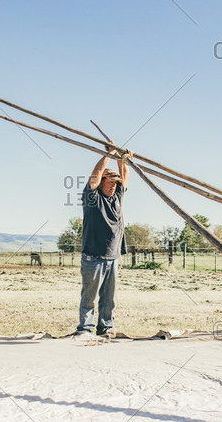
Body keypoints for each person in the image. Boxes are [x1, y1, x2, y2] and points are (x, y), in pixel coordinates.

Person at [76, 143, 133, 337]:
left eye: (115, 183)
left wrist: (123, 160)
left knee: (109, 300)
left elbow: (124, 176)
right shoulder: (92, 198)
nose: (114, 185)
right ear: (100, 182)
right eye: (110, 182)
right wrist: (109, 153)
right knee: (89, 298)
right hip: (93, 257)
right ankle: (85, 329)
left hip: (113, 257)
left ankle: (106, 328)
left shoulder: (117, 197)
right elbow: (96, 172)